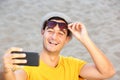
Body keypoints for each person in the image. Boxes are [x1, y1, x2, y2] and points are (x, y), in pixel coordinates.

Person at [0, 12, 115, 80]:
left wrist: (85, 39)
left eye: (61, 33)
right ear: (42, 32)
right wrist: (6, 71)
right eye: (50, 31)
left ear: (67, 39)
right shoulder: (27, 66)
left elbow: (107, 72)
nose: (54, 37)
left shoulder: (73, 66)